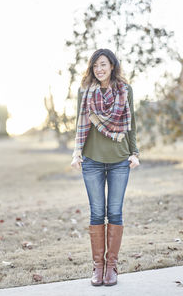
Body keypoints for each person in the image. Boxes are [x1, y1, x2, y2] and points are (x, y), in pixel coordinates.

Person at [71, 48, 140, 286]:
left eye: (103, 64)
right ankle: (97, 267)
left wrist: (135, 152)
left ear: (112, 65)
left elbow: (131, 124)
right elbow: (79, 124)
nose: (99, 69)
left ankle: (112, 267)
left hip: (120, 159)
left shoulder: (125, 90)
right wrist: (77, 152)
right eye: (95, 66)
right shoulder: (85, 92)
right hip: (92, 160)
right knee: (97, 213)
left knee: (116, 212)